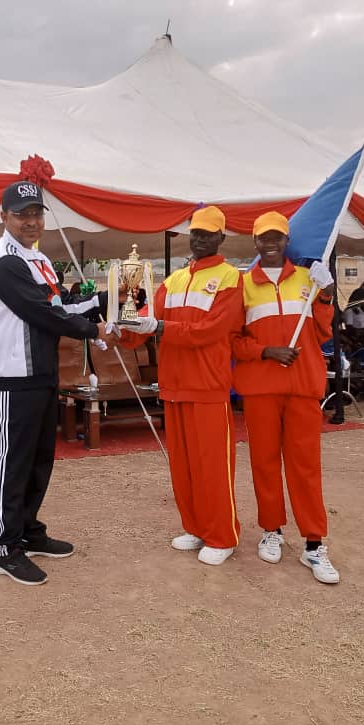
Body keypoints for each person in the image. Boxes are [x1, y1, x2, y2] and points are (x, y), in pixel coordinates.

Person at [0, 180, 114, 586]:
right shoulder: (5, 260)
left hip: (42, 371)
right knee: (14, 460)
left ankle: (28, 530)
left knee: (41, 457)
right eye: (22, 214)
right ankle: (5, 547)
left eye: (37, 213)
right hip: (14, 373)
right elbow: (43, 314)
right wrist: (94, 331)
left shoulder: (36, 258)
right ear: (4, 217)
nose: (31, 221)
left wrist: (109, 303)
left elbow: (58, 304)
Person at [116, 205, 244, 567]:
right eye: (195, 232)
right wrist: (118, 329)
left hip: (208, 387)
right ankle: (195, 526)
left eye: (207, 233)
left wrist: (158, 328)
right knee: (183, 466)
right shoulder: (173, 280)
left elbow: (211, 331)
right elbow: (145, 320)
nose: (200, 238)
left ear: (221, 237)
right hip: (174, 385)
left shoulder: (231, 278)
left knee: (213, 467)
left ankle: (222, 534)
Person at [232, 211, 340, 584]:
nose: (272, 243)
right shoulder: (243, 285)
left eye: (278, 237)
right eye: (265, 238)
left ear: (286, 240)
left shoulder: (308, 280)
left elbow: (324, 331)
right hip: (261, 388)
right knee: (264, 463)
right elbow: (234, 339)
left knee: (306, 467)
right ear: (256, 243)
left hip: (303, 387)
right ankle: (272, 530)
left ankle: (314, 543)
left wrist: (326, 295)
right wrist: (265, 352)